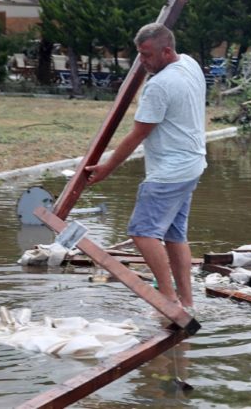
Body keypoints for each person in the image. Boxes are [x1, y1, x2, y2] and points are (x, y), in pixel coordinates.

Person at [85, 23, 206, 312]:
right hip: (192, 164)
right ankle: (187, 302)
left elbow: (138, 134)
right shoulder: (189, 63)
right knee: (175, 235)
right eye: (139, 54)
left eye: (148, 55)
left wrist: (106, 169)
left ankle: (168, 298)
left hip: (170, 172)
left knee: (141, 232)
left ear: (166, 51)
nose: (142, 62)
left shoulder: (160, 85)